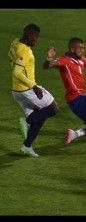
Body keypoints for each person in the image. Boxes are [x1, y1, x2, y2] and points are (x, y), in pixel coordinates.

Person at [8, 23, 58, 157]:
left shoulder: (15, 42)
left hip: (17, 90)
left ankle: (27, 146)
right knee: (53, 108)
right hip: (26, 89)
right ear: (28, 35)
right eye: (35, 37)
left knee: (40, 117)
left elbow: (11, 57)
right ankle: (26, 121)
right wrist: (34, 86)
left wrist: (48, 58)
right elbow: (17, 73)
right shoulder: (23, 49)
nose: (37, 39)